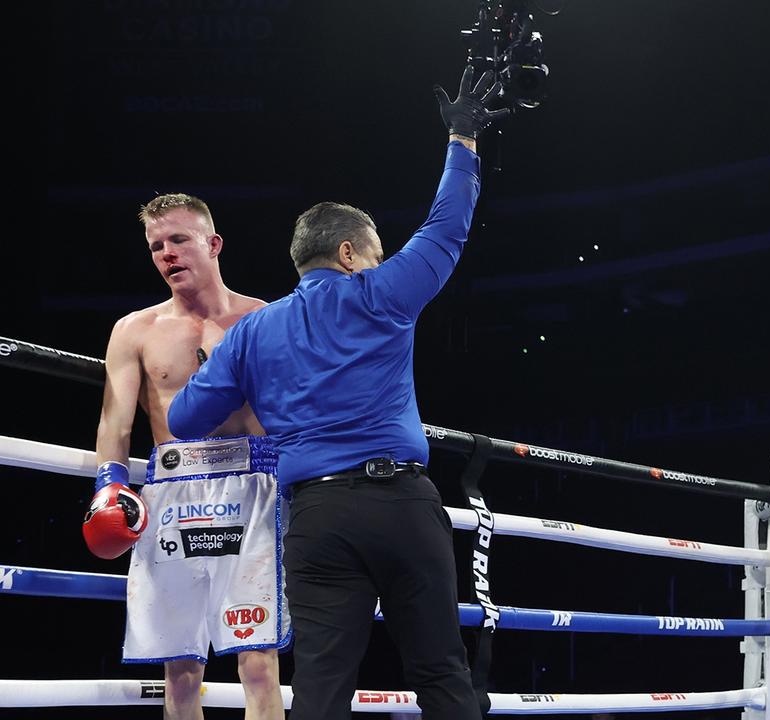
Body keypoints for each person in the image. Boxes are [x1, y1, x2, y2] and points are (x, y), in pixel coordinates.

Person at [166, 67, 509, 720]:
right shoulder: (380, 296)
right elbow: (447, 226)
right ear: (350, 253)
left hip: (318, 520)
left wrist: (224, 371)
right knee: (440, 671)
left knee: (322, 689)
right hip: (404, 507)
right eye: (376, 253)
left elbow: (185, 419)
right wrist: (462, 138)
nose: (380, 263)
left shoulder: (252, 333)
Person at [85, 192, 286, 719]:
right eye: (156, 246)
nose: (167, 254)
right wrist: (108, 487)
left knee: (259, 663)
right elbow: (115, 422)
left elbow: (290, 408)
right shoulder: (135, 330)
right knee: (180, 672)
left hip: (253, 488)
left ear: (212, 243)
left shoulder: (260, 318)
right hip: (173, 493)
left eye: (178, 240)